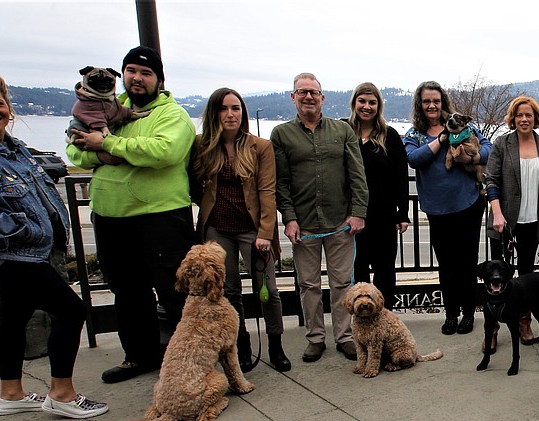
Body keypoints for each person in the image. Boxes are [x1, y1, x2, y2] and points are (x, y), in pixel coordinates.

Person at [0, 60, 107, 418]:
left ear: (7, 106)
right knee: (71, 310)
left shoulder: (12, 147)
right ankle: (62, 393)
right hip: (13, 253)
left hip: (31, 251)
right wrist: (17, 230)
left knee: (15, 315)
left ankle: (11, 394)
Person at [67, 46, 196, 384]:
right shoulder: (103, 110)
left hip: (161, 216)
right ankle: (140, 355)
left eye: (146, 73)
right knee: (126, 291)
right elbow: (74, 149)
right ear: (121, 75)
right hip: (110, 215)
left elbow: (164, 152)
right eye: (131, 71)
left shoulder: (172, 114)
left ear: (159, 79)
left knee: (175, 290)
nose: (137, 78)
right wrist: (105, 151)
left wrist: (107, 146)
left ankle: (193, 355)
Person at [188, 87, 289, 374]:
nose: (230, 114)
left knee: (267, 289)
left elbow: (267, 192)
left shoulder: (260, 147)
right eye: (223, 109)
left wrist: (266, 233)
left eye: (235, 108)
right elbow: (195, 186)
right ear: (213, 113)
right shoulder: (201, 146)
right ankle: (240, 345)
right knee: (228, 292)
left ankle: (275, 345)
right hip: (217, 231)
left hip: (252, 230)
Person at [272, 72, 368, 363]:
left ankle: (345, 337)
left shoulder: (342, 131)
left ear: (322, 97)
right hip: (303, 225)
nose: (308, 97)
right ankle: (315, 338)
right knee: (309, 286)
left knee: (342, 284)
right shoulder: (281, 134)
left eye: (313, 92)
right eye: (302, 92)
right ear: (293, 97)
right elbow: (281, 182)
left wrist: (358, 213)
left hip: (340, 223)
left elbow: (357, 175)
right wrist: (288, 217)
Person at [403, 81, 491, 335]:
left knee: (467, 263)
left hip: (469, 205)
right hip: (437, 210)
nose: (432, 105)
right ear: (420, 105)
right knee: (446, 265)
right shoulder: (415, 134)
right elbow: (413, 159)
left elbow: (489, 148)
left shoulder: (465, 127)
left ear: (443, 103)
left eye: (436, 101)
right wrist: (441, 140)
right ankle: (451, 314)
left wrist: (472, 158)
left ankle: (468, 313)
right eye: (426, 101)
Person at [485, 95, 539, 343]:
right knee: (496, 274)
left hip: (532, 221)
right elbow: (491, 179)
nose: (524, 119)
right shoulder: (502, 144)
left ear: (536, 118)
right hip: (502, 220)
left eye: (528, 115)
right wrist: (497, 212)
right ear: (512, 118)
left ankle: (524, 323)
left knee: (526, 276)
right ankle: (492, 329)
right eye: (519, 115)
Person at [346, 82, 410, 308]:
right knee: (357, 269)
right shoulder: (343, 131)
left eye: (372, 102)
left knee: (385, 271)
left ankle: (386, 318)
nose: (367, 106)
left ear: (378, 106)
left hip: (383, 215)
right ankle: (361, 322)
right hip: (351, 216)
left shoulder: (389, 135)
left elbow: (401, 176)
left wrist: (403, 213)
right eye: (362, 101)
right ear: (354, 103)